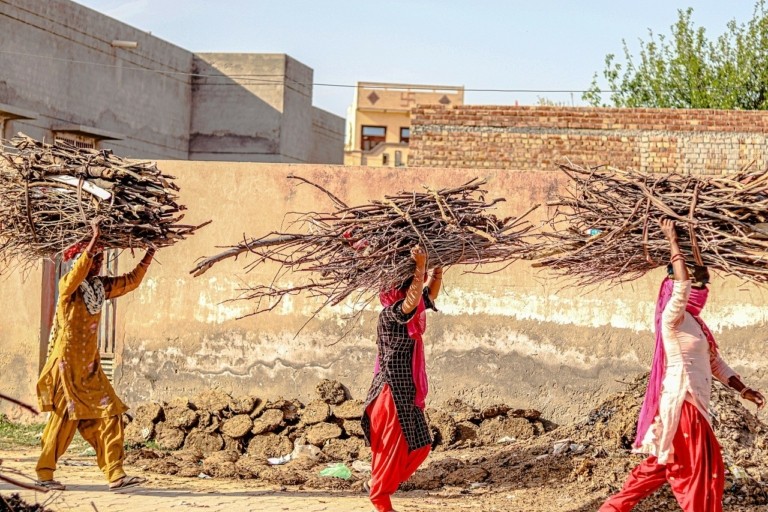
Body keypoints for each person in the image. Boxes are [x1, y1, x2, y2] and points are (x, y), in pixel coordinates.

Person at [599, 218, 765, 512]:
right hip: (682, 403)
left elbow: (715, 363)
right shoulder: (672, 319)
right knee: (695, 472)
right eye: (697, 282)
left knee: (663, 467)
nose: (701, 288)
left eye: (704, 283)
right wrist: (673, 241)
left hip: (695, 405)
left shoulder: (697, 325)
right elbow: (684, 285)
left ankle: (612, 508)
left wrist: (743, 389)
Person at [35, 217, 155, 491]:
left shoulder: (99, 289)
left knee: (111, 414)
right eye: (93, 259)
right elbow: (77, 273)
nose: (98, 263)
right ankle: (44, 474)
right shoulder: (69, 287)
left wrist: (150, 252)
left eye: (100, 259)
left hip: (89, 370)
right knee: (62, 421)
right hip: (66, 368)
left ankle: (116, 474)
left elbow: (131, 281)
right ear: (81, 260)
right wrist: (93, 239)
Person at [361, 245, 443, 512]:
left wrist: (437, 267)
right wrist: (420, 267)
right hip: (390, 393)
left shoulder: (411, 307)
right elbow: (410, 303)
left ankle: (381, 487)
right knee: (390, 450)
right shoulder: (391, 314)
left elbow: (426, 295)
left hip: (404, 393)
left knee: (421, 444)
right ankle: (380, 497)